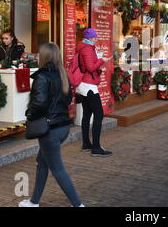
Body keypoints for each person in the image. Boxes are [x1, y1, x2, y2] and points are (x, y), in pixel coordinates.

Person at [19, 43, 83, 207]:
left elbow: (39, 103)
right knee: (42, 162)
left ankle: (77, 204)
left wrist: (29, 115)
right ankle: (34, 202)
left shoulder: (42, 77)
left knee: (57, 169)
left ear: (44, 57)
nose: (37, 57)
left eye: (39, 54)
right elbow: (68, 99)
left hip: (50, 129)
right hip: (62, 126)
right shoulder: (62, 74)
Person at [76, 29, 112, 157]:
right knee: (99, 114)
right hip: (89, 85)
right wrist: (102, 60)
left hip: (83, 85)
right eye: (95, 37)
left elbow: (88, 66)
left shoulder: (84, 47)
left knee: (87, 113)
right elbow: (90, 67)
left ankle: (86, 144)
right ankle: (96, 148)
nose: (96, 39)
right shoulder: (87, 49)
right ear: (90, 38)